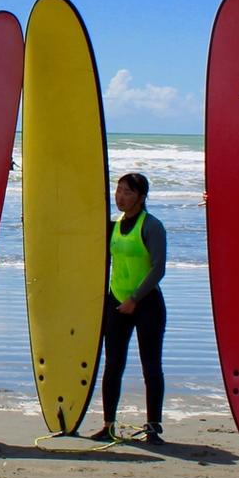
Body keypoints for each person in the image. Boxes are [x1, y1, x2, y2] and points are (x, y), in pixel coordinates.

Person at [90, 172, 167, 444]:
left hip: (147, 304)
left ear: (141, 197)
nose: (120, 197)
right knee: (113, 365)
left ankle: (153, 427)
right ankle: (108, 424)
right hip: (116, 301)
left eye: (127, 192)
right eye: (119, 190)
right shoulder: (114, 225)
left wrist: (134, 298)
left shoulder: (151, 226)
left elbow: (159, 268)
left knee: (151, 365)